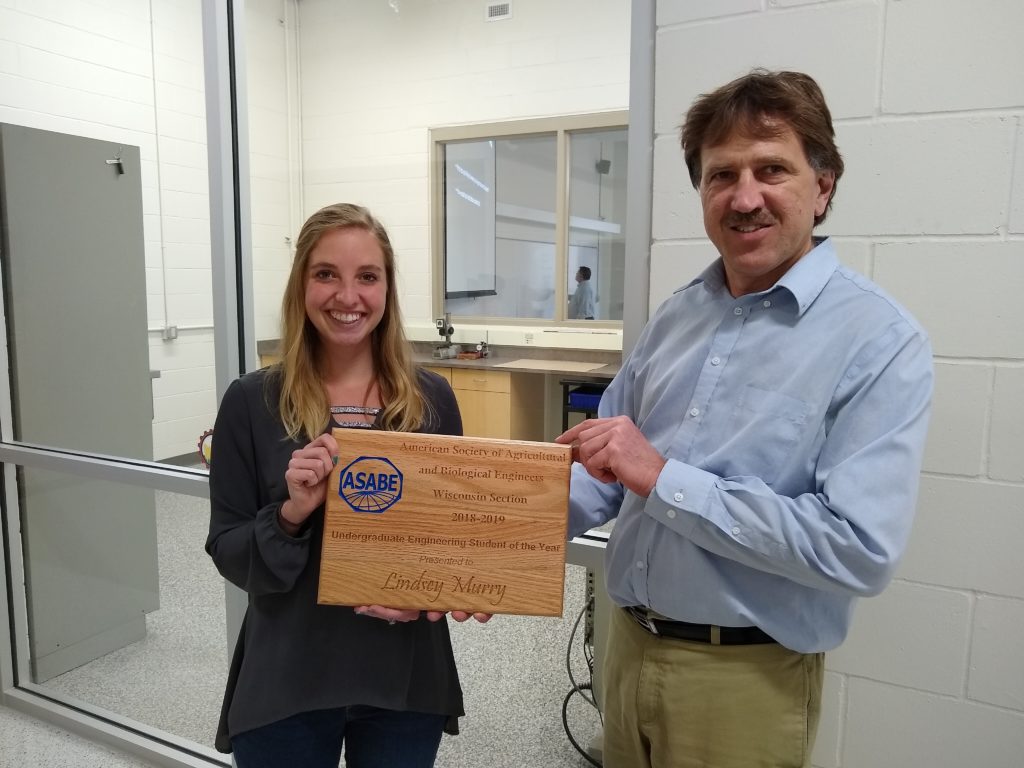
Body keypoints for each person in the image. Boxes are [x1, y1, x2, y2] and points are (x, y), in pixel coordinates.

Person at [556, 70, 933, 768]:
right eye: (720, 174)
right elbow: (601, 476)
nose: (744, 196)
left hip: (743, 683)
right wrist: (477, 549)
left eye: (772, 169)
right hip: (627, 646)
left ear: (822, 188)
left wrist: (664, 477)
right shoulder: (675, 316)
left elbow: (856, 548)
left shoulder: (880, 341)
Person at [206, 203, 488, 768]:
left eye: (367, 276)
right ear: (301, 286)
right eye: (326, 274)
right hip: (289, 673)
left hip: (404, 680)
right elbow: (230, 551)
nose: (347, 296)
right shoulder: (252, 402)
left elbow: (449, 542)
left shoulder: (431, 401)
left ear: (387, 289)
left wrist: (444, 592)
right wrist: (290, 515)